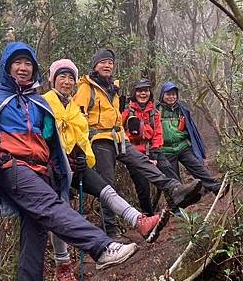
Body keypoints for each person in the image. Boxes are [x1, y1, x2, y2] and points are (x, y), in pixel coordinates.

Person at [0, 41, 138, 281]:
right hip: (11, 167)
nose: (23, 68)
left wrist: (70, 160)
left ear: (33, 69)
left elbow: (50, 138)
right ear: (7, 67)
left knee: (35, 230)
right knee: (51, 206)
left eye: (28, 64)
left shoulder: (37, 102)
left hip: (40, 170)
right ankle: (102, 247)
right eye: (17, 63)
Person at [44, 60, 169, 281]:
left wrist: (81, 155)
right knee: (60, 212)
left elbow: (81, 134)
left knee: (105, 189)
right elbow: (45, 136)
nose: (67, 82)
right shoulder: (44, 103)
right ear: (52, 80)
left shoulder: (72, 106)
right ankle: (63, 267)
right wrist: (60, 159)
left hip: (77, 165)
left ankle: (139, 221)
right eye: (62, 77)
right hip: (54, 168)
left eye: (70, 77)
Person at [74, 49, 202, 237]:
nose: (107, 65)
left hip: (118, 138)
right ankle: (110, 231)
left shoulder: (113, 89)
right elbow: (78, 114)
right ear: (95, 65)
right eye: (103, 62)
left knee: (142, 162)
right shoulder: (87, 87)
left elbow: (116, 117)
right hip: (99, 140)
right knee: (107, 184)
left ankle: (174, 188)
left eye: (110, 62)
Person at [121, 78, 187, 216]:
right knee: (142, 187)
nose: (143, 93)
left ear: (149, 92)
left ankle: (177, 209)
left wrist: (154, 155)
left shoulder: (155, 113)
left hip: (153, 150)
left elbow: (158, 134)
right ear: (135, 92)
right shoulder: (127, 111)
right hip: (134, 152)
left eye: (145, 90)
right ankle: (148, 216)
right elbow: (119, 131)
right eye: (139, 91)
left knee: (169, 174)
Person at [158, 81, 224, 195]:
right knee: (173, 180)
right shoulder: (156, 111)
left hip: (183, 146)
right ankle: (176, 208)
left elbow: (191, 130)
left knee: (197, 167)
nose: (171, 97)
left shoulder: (182, 110)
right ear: (162, 95)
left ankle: (216, 188)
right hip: (166, 150)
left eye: (174, 94)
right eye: (168, 94)